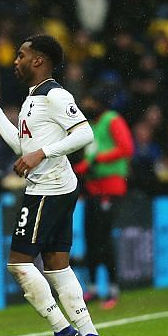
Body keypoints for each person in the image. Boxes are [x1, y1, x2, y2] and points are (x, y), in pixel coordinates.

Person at [0, 34, 108, 336]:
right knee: (57, 266)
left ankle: (63, 331)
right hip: (56, 186)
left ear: (38, 60)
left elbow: (85, 133)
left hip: (48, 188)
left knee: (18, 264)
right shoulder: (33, 98)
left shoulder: (55, 94)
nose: (15, 61)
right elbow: (22, 149)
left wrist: (41, 154)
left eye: (21, 55)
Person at [74, 87, 134, 309]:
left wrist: (97, 160)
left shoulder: (112, 120)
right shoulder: (88, 125)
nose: (87, 104)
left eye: (90, 99)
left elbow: (126, 148)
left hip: (110, 186)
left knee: (105, 239)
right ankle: (91, 289)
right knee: (91, 237)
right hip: (93, 187)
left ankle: (112, 289)